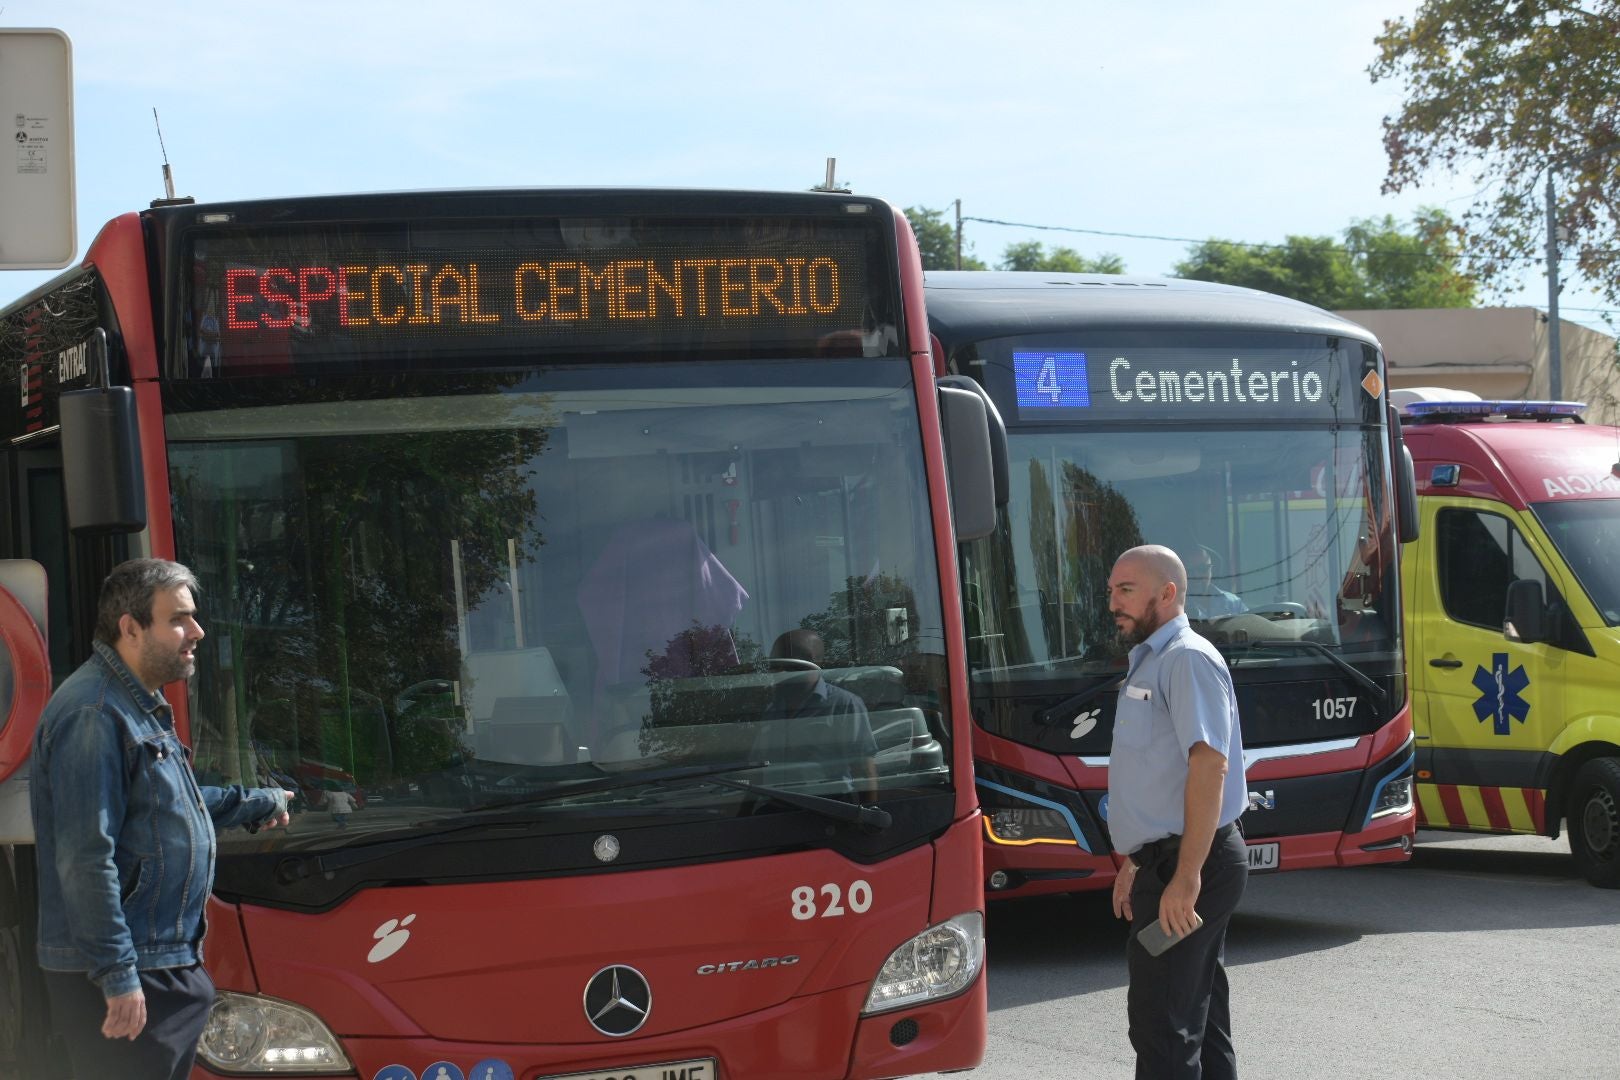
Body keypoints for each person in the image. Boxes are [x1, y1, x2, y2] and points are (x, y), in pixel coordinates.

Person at [29, 559, 294, 1080]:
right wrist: (118, 976)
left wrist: (261, 803)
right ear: (130, 628)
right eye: (178, 619)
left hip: (158, 963)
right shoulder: (96, 713)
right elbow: (86, 856)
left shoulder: (133, 705)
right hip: (129, 972)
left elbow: (174, 806)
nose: (196, 632)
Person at [1106, 545, 1249, 1079]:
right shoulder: (1153, 659)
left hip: (1194, 864)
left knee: (1163, 1026)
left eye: (1126, 590)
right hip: (1169, 861)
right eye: (1111, 590)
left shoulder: (1186, 658)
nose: (1113, 603)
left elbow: (1208, 768)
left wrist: (1186, 877)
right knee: (1197, 1018)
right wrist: (1138, 859)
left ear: (1167, 594)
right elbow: (1157, 777)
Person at [754, 629, 879, 795]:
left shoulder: (843, 705)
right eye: (775, 665)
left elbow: (864, 773)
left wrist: (862, 819)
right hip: (778, 807)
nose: (780, 672)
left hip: (830, 808)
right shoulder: (773, 709)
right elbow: (758, 771)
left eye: (790, 665)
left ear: (815, 664)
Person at [1183, 544, 1245, 621]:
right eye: (1189, 570)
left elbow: (1253, 626)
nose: (1196, 575)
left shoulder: (1233, 603)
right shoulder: (1176, 607)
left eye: (1202, 569)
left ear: (1211, 570)